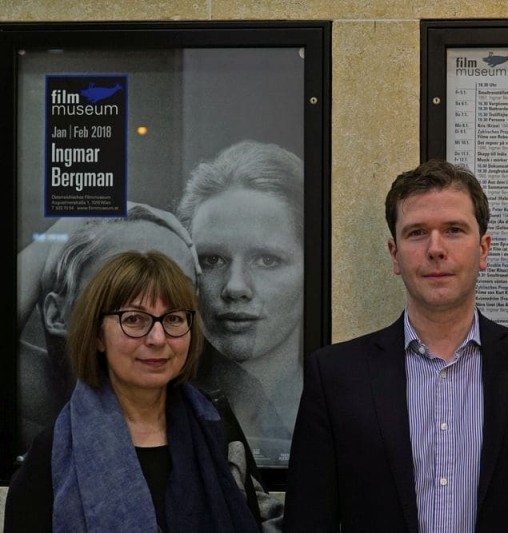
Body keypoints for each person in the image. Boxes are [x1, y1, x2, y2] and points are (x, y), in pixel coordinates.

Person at [284, 159, 508, 532]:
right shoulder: (335, 377)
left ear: (483, 250)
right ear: (394, 254)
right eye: (417, 233)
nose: (435, 249)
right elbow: (308, 521)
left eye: (453, 230)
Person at [5, 250, 282, 532]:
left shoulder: (218, 427)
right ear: (98, 335)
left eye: (173, 319)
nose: (158, 338)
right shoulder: (50, 455)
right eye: (135, 319)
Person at [17, 203, 201, 449]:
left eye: (175, 298)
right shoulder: (44, 395)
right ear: (57, 314)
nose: (158, 337)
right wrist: (79, 217)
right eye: (121, 292)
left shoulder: (208, 420)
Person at [177, 140, 304, 467]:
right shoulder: (151, 399)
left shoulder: (340, 404)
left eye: (267, 260)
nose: (235, 287)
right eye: (212, 260)